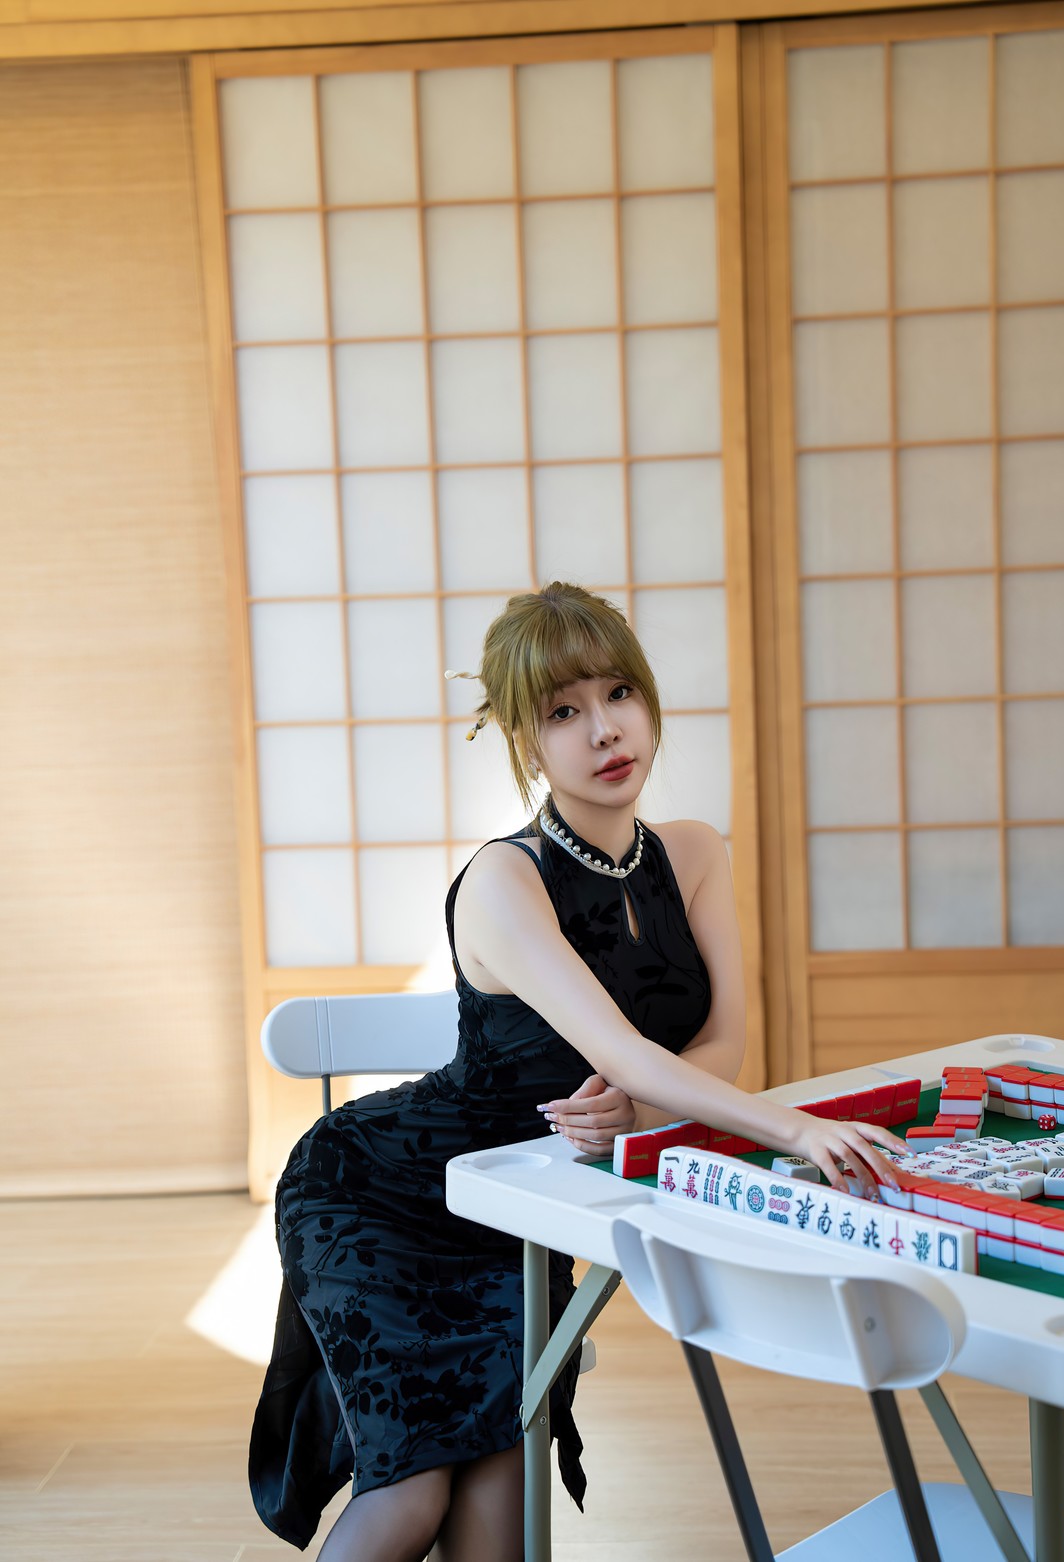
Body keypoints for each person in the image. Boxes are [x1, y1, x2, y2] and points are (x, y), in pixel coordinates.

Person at [250, 582, 905, 1562]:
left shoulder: (694, 854)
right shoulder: (503, 878)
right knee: (413, 1495)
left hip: (523, 1211)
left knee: (501, 1523)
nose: (605, 729)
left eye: (619, 693)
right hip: (385, 1196)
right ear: (526, 740)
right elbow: (624, 1050)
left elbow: (722, 1040)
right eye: (564, 711)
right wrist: (797, 1127)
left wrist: (633, 1111)